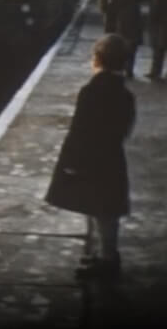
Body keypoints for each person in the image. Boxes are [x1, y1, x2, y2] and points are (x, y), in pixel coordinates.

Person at [45, 34, 136, 279]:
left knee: (99, 210)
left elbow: (79, 130)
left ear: (97, 60)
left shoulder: (90, 91)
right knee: (106, 210)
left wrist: (71, 162)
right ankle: (104, 255)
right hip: (112, 158)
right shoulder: (125, 94)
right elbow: (125, 128)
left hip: (91, 160)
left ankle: (107, 260)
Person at [100, 0, 146, 78]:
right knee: (132, 42)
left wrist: (104, 10)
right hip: (132, 11)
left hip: (115, 12)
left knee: (115, 41)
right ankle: (129, 69)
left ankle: (117, 67)